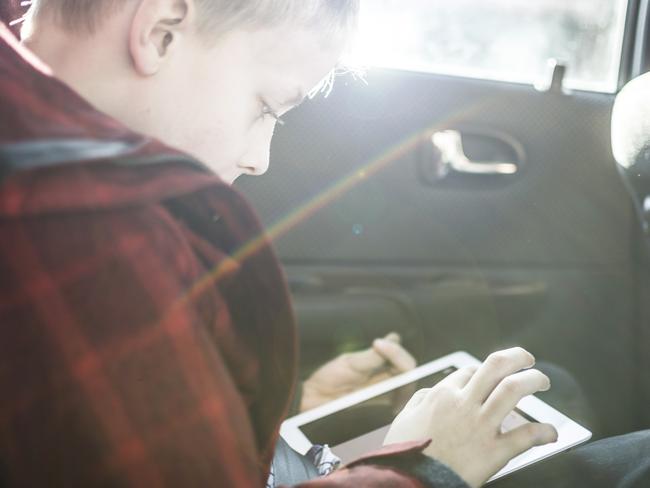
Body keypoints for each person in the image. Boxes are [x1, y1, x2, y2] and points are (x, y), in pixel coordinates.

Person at [1, 0, 638, 486]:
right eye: (266, 107)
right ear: (161, 29)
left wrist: (282, 424)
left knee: (546, 389)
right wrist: (425, 467)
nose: (260, 159)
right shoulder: (90, 249)